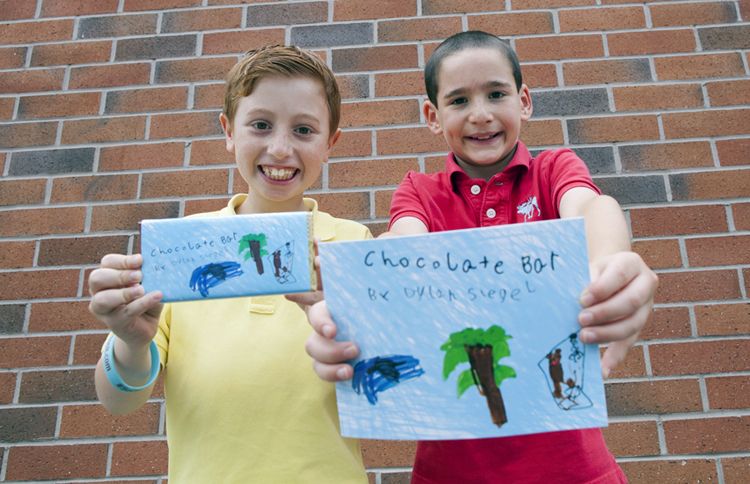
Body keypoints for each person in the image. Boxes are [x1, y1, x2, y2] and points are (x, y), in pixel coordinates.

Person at [303, 31, 658, 483]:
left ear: (524, 101)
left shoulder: (554, 171)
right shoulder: (420, 192)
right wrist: (351, 281)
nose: (481, 114)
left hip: (574, 468)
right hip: (448, 471)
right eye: (459, 101)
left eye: (496, 94)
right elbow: (402, 245)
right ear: (433, 116)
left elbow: (593, 208)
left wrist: (612, 265)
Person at [87, 45, 370, 483]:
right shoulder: (182, 247)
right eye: (260, 125)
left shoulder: (353, 243)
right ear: (229, 131)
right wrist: (130, 342)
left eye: (303, 130)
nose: (279, 149)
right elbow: (117, 401)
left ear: (330, 142)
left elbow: (381, 384)